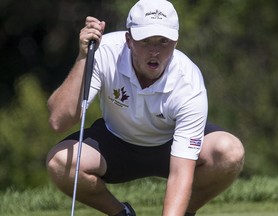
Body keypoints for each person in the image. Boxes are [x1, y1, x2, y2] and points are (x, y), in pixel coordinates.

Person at [46, 0, 245, 215]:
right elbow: (58, 120)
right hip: (116, 142)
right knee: (59, 162)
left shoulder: (188, 81)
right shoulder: (104, 52)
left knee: (229, 151)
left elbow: (181, 173)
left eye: (163, 41)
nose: (154, 51)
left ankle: (186, 212)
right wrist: (83, 58)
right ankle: (121, 214)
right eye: (145, 40)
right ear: (129, 40)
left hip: (169, 144)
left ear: (175, 42)